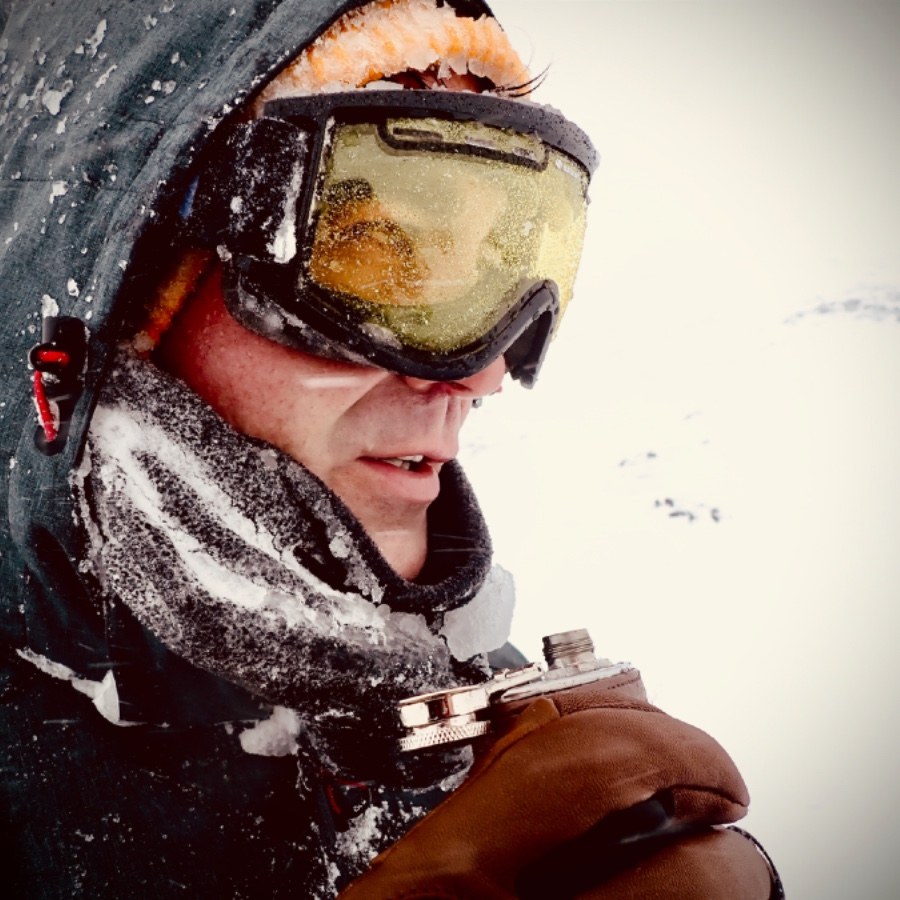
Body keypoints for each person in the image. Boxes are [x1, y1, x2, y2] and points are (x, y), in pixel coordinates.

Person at [0, 0, 781, 896]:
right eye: (369, 251)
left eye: (499, 267)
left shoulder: (485, 738)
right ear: (131, 295)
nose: (482, 374)